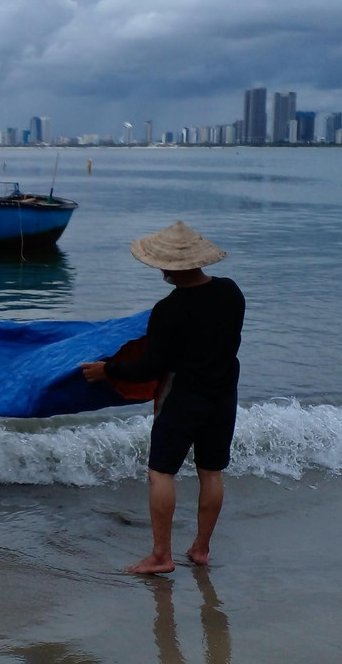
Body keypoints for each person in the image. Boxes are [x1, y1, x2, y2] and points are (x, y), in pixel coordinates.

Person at [80, 221, 245, 574]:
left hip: (183, 397)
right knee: (211, 472)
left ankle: (161, 556)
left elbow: (149, 367)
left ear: (170, 266)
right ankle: (201, 549)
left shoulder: (169, 310)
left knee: (161, 473)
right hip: (222, 396)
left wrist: (107, 369)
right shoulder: (232, 293)